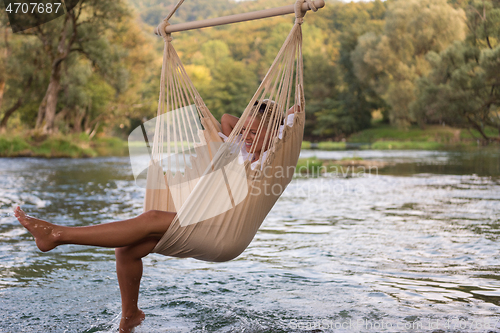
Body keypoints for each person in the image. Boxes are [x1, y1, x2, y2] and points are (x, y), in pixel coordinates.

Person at [13, 100, 298, 333]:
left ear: (272, 134)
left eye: (253, 132)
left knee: (149, 217)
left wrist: (275, 118)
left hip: (225, 233)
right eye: (244, 129)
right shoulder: (237, 149)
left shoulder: (271, 157)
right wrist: (254, 121)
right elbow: (225, 119)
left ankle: (58, 235)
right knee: (126, 249)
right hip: (202, 221)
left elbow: (293, 117)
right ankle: (130, 318)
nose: (245, 136)